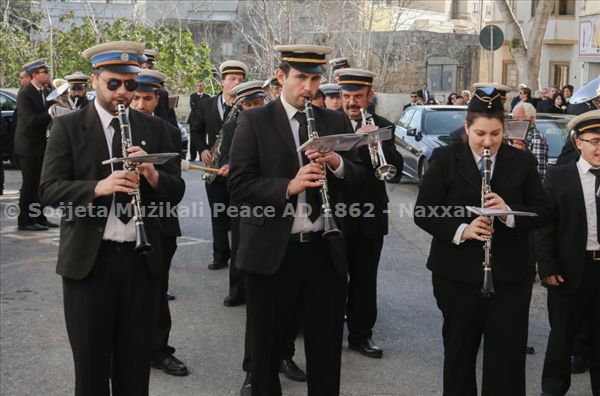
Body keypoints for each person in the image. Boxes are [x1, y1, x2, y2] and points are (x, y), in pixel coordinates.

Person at [38, 41, 185, 396]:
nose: (123, 92)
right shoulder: (68, 126)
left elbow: (175, 190)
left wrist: (152, 175)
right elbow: (48, 190)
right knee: (90, 367)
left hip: (140, 261)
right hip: (90, 263)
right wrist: (98, 187)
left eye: (130, 84)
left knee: (135, 368)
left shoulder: (156, 128)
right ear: (94, 81)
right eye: (113, 83)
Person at [228, 44, 364, 396]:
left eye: (315, 78)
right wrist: (289, 185)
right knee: (266, 349)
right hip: (273, 252)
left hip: (323, 249)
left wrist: (337, 164)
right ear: (281, 77)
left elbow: (362, 180)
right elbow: (239, 184)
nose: (309, 87)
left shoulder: (334, 120)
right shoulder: (254, 119)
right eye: (301, 78)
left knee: (325, 347)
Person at [414, 87, 550, 396]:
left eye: (495, 133)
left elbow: (544, 212)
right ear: (466, 127)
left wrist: (508, 214)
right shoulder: (446, 157)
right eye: (480, 133)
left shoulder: (522, 162)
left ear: (504, 128)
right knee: (460, 353)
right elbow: (424, 211)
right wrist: (463, 229)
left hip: (510, 275)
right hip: (457, 275)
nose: (488, 142)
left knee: (508, 357)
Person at [336, 67, 404, 358]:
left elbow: (396, 170)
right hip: (336, 215)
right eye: (347, 96)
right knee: (332, 280)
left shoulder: (384, 125)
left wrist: (376, 141)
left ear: (370, 96)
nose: (352, 103)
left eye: (359, 97)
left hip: (370, 216)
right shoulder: (330, 124)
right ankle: (326, 333)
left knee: (365, 280)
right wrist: (355, 142)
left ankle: (361, 336)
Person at [129, 68, 189, 377]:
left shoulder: (167, 130)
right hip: (116, 221)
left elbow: (174, 182)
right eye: (135, 97)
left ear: (158, 98)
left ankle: (158, 350)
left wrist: (151, 174)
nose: (140, 104)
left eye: (147, 98)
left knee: (156, 287)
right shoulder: (114, 126)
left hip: (159, 218)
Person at [536, 110, 600, 396]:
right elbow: (545, 227)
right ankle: (553, 390)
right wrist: (547, 268)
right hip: (569, 270)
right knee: (561, 338)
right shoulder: (559, 176)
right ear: (579, 143)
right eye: (595, 141)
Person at [192, 60, 248, 270]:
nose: (236, 83)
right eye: (232, 79)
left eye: (240, 80)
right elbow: (196, 129)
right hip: (213, 166)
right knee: (218, 213)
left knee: (237, 217)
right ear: (222, 81)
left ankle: (239, 258)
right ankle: (220, 255)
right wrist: (203, 149)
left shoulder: (245, 105)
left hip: (238, 167)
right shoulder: (206, 104)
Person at [14, 58, 57, 231]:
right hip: (28, 146)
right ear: (34, 75)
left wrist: (57, 105)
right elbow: (32, 121)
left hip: (40, 144)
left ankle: (39, 216)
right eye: (45, 72)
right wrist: (50, 112)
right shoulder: (25, 93)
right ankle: (25, 220)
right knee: (29, 184)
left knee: (40, 184)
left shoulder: (44, 92)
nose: (48, 74)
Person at [512, 102, 550, 181]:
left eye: (518, 118)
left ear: (531, 119)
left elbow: (539, 172)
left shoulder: (537, 138)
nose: (514, 121)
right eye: (513, 118)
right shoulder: (512, 137)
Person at [187, 81, 210, 161]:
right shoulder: (192, 96)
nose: (199, 87)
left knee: (203, 137)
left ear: (203, 87)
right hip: (193, 120)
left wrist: (198, 107)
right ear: (195, 87)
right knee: (193, 138)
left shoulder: (207, 96)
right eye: (198, 86)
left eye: (201, 85)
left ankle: (202, 157)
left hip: (203, 120)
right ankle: (192, 156)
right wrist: (200, 108)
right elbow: (192, 106)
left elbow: (207, 107)